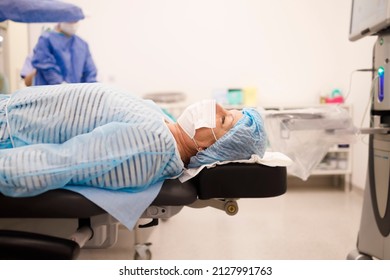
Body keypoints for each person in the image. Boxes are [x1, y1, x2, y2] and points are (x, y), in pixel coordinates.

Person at [0, 83, 267, 197]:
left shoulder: (154, 147)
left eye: (223, 120)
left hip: (9, 133)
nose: (218, 107)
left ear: (212, 147)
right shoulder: (163, 126)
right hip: (12, 112)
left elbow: (59, 164)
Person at [31, 21, 97, 85]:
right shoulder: (46, 39)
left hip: (74, 94)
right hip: (50, 93)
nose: (73, 24)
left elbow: (90, 72)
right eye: (70, 20)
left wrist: (92, 89)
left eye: (76, 21)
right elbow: (45, 65)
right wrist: (61, 85)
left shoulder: (82, 44)